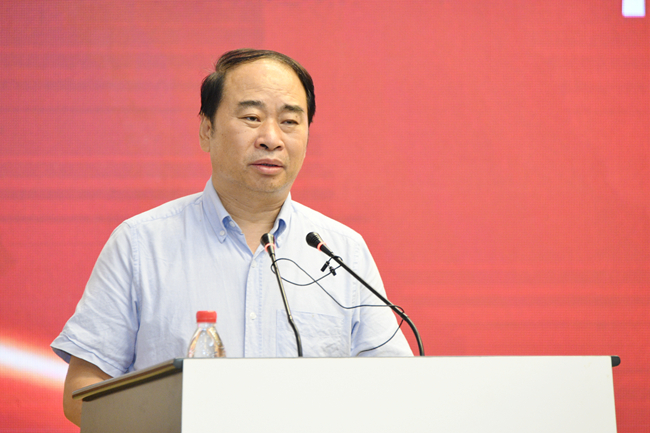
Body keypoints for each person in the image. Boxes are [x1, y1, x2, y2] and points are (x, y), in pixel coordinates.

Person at [51, 48, 412, 426]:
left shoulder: (342, 251)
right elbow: (83, 393)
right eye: (252, 118)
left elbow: (397, 389)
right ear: (207, 130)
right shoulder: (141, 244)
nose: (271, 138)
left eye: (290, 121)